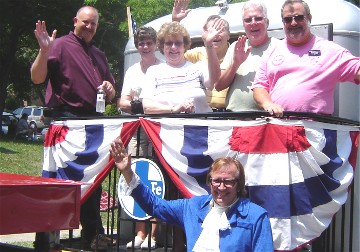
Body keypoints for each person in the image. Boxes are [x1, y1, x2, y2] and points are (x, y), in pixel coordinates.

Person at [30, 6, 116, 251]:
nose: (89, 27)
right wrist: (44, 50)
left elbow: (111, 90)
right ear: (75, 21)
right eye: (85, 22)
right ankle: (46, 237)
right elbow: (36, 78)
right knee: (57, 181)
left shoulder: (99, 54)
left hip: (93, 124)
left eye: (94, 24)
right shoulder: (58, 45)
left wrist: (110, 89)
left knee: (93, 180)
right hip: (66, 121)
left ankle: (93, 235)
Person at [110, 137, 274, 252]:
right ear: (209, 181)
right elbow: (155, 205)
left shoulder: (256, 216)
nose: (221, 187)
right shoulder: (192, 206)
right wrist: (127, 171)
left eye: (228, 181)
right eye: (216, 181)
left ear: (238, 184)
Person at [252, 0, 360, 117]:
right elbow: (259, 87)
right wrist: (267, 104)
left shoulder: (329, 50)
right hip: (278, 125)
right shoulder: (271, 51)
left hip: (315, 128)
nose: (293, 23)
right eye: (288, 19)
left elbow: (357, 71)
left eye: (299, 17)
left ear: (309, 18)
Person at [118, 26, 161, 250]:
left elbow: (165, 104)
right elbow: (121, 103)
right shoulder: (132, 71)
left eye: (148, 42)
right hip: (136, 130)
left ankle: (154, 234)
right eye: (141, 43)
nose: (145, 47)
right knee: (135, 175)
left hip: (158, 130)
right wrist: (142, 105)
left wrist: (141, 106)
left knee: (157, 179)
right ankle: (139, 232)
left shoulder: (163, 68)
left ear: (156, 45)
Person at [140, 20, 223, 114]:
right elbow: (147, 108)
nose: (173, 47)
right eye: (169, 43)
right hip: (169, 127)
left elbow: (214, 79)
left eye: (178, 43)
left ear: (185, 46)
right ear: (162, 46)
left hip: (200, 126)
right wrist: (174, 109)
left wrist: (209, 44)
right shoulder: (153, 72)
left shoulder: (198, 67)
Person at [215, 0, 278, 112]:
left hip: (267, 119)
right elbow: (219, 86)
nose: (253, 23)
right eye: (248, 20)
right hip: (235, 119)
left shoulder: (279, 47)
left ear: (267, 22)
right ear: (243, 25)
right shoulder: (236, 47)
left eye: (258, 18)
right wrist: (235, 64)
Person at [172, 0, 231, 110]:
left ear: (228, 35)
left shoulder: (236, 52)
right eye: (210, 30)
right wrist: (176, 21)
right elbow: (175, 56)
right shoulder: (198, 53)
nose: (215, 34)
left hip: (230, 114)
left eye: (220, 30)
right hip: (205, 113)